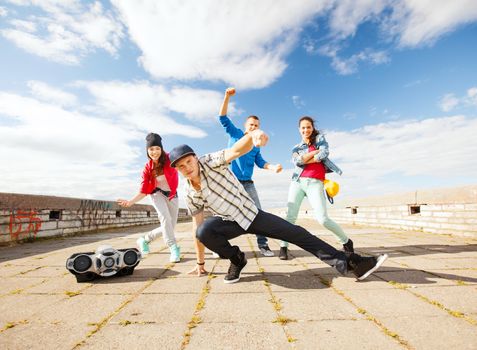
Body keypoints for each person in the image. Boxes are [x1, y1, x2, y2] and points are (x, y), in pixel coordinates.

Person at [168, 129, 388, 284]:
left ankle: (352, 264)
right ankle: (237, 259)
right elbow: (196, 227)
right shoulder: (188, 191)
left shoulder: (210, 161)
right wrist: (200, 263)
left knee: (297, 233)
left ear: (195, 158)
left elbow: (235, 150)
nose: (186, 168)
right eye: (180, 166)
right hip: (228, 222)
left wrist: (253, 136)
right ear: (177, 170)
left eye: (188, 162)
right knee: (203, 230)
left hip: (251, 214)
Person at [218, 87, 282, 257]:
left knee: (258, 213)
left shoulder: (255, 146)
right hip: (231, 182)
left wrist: (272, 167)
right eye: (251, 124)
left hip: (248, 184)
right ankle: (219, 246)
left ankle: (263, 245)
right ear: (246, 126)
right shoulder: (236, 134)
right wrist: (226, 97)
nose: (253, 127)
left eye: (256, 125)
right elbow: (222, 118)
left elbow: (260, 162)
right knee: (225, 214)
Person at [278, 116, 354, 260]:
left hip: (315, 182)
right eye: (303, 128)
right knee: (290, 217)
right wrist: (314, 153)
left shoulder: (320, 139)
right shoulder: (296, 147)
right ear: (299, 130)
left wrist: (306, 158)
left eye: (308, 127)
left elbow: (324, 153)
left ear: (312, 128)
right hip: (297, 182)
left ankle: (346, 241)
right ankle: (283, 247)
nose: (306, 130)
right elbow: (296, 161)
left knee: (323, 219)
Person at [117, 133, 182, 264]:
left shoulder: (170, 158)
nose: (154, 152)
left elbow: (185, 161)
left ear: (161, 149)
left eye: (157, 148)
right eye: (151, 149)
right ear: (147, 151)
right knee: (165, 218)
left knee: (170, 225)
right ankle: (173, 248)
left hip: (172, 195)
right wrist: (130, 202)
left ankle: (145, 239)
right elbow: (144, 190)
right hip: (156, 194)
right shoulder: (147, 168)